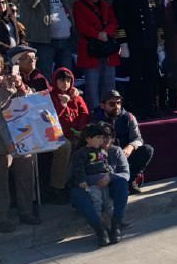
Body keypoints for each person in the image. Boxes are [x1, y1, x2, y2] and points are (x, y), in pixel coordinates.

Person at [19, 0, 83, 80]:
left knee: (66, 77)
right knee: (44, 76)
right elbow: (31, 2)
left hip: (65, 39)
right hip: (44, 42)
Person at [112, 0, 161, 119]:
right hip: (133, 42)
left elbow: (156, 18)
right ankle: (137, 108)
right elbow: (119, 19)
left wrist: (160, 39)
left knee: (151, 75)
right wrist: (123, 42)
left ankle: (151, 106)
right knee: (136, 76)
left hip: (150, 42)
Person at [68, 122, 129, 246]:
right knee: (95, 202)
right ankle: (100, 228)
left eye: (107, 136)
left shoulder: (111, 151)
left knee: (109, 202)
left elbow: (122, 173)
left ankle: (116, 224)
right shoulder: (81, 153)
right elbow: (77, 172)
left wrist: (109, 176)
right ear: (88, 138)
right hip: (90, 186)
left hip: (107, 185)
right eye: (100, 137)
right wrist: (84, 181)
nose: (104, 140)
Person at [0, 52, 37, 232]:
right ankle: (1, 218)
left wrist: (20, 85)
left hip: (19, 136)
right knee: (0, 181)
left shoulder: (6, 82)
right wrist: (6, 91)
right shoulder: (4, 88)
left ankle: (26, 211)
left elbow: (30, 100)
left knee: (25, 175)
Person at [91, 90, 154, 194]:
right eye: (112, 104)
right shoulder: (96, 119)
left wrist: (130, 147)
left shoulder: (129, 117)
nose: (117, 106)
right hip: (105, 155)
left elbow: (138, 139)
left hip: (125, 154)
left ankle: (130, 181)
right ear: (102, 105)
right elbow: (91, 142)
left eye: (119, 103)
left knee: (147, 150)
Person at [73, 0, 120, 109]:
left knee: (109, 85)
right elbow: (81, 25)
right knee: (92, 85)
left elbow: (114, 22)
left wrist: (106, 32)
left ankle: (110, 111)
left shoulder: (106, 6)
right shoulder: (79, 5)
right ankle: (94, 112)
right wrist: (97, 34)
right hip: (90, 49)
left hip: (107, 51)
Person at [48, 67, 89, 204]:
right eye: (61, 80)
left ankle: (80, 182)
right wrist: (63, 104)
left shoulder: (76, 96)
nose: (65, 83)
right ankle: (58, 187)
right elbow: (50, 118)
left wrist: (80, 130)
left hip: (75, 133)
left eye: (68, 80)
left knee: (87, 143)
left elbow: (84, 114)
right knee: (65, 147)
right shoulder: (51, 96)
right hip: (55, 134)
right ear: (55, 81)